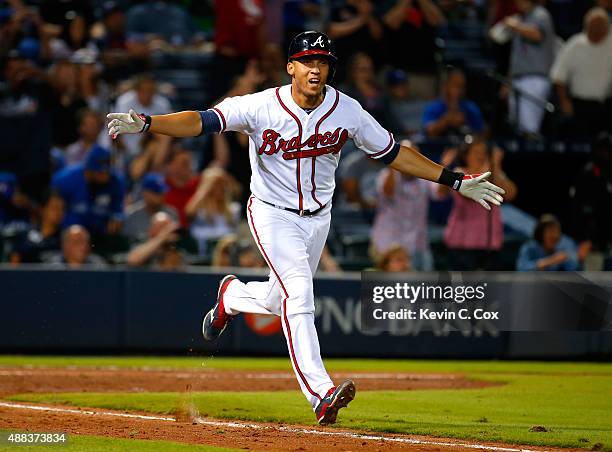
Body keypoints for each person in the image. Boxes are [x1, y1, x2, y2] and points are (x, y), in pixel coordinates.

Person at [107, 30, 505, 425]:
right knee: (300, 294)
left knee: (278, 300)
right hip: (271, 213)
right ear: (291, 67)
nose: (315, 69)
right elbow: (201, 121)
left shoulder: (347, 110)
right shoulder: (260, 106)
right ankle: (320, 393)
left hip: (318, 220)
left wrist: (454, 180)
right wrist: (148, 123)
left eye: (323, 62)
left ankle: (231, 296)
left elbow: (393, 153)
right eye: (308, 61)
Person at [437, 138, 517, 270]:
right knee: (464, 289)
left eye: (483, 152)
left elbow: (511, 194)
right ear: (465, 155)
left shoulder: (493, 173)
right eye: (476, 152)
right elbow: (471, 192)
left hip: (490, 244)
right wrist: (492, 167)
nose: (481, 155)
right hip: (462, 245)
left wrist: (495, 167)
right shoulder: (459, 172)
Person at [550, 8, 612, 139]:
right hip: (581, 106)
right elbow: (558, 76)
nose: (596, 34)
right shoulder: (575, 45)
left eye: (600, 30)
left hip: (607, 105)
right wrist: (564, 101)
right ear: (586, 28)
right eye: (593, 30)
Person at [505, 0, 556, 135]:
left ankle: (531, 155)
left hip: (535, 77)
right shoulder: (523, 18)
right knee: (516, 126)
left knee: (529, 127)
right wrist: (508, 80)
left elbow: (538, 35)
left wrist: (515, 26)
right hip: (518, 77)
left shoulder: (540, 14)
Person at [51, 145, 125, 237]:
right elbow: (53, 210)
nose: (106, 176)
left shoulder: (116, 182)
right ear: (89, 170)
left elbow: (118, 209)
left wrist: (117, 217)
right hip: (69, 233)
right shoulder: (65, 180)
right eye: (101, 172)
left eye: (107, 171)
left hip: (100, 233)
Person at [185, 167, 241, 256]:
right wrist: (206, 187)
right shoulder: (199, 208)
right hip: (201, 253)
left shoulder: (233, 209)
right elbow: (188, 213)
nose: (219, 188)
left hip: (226, 254)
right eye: (215, 184)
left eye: (222, 184)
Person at [114, 74, 172, 158]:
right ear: (137, 90)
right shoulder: (124, 102)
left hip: (149, 147)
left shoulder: (162, 104)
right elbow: (116, 129)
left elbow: (167, 130)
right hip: (126, 147)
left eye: (150, 90)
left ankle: (157, 168)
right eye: (143, 90)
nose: (147, 94)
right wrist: (123, 149)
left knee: (163, 136)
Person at [422, 68, 484, 139]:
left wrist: (464, 123)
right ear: (445, 86)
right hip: (437, 148)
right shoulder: (434, 107)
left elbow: (481, 133)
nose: (460, 91)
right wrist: (446, 121)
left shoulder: (470, 108)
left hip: (463, 148)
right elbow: (428, 131)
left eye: (462, 87)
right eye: (456, 86)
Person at [9, 193, 65, 264]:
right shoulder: (25, 236)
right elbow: (14, 264)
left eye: (62, 209)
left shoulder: (64, 238)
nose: (59, 213)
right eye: (55, 208)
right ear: (43, 210)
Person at [123, 172, 178, 243]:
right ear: (145, 193)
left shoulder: (172, 213)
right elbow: (127, 244)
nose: (161, 196)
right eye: (157, 192)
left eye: (162, 192)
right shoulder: (131, 214)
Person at [516, 214, 581, 271]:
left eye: (557, 232)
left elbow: (573, 269)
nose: (555, 235)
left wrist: (579, 259)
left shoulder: (560, 249)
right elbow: (521, 269)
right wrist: (549, 261)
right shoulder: (529, 247)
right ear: (541, 233)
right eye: (551, 231)